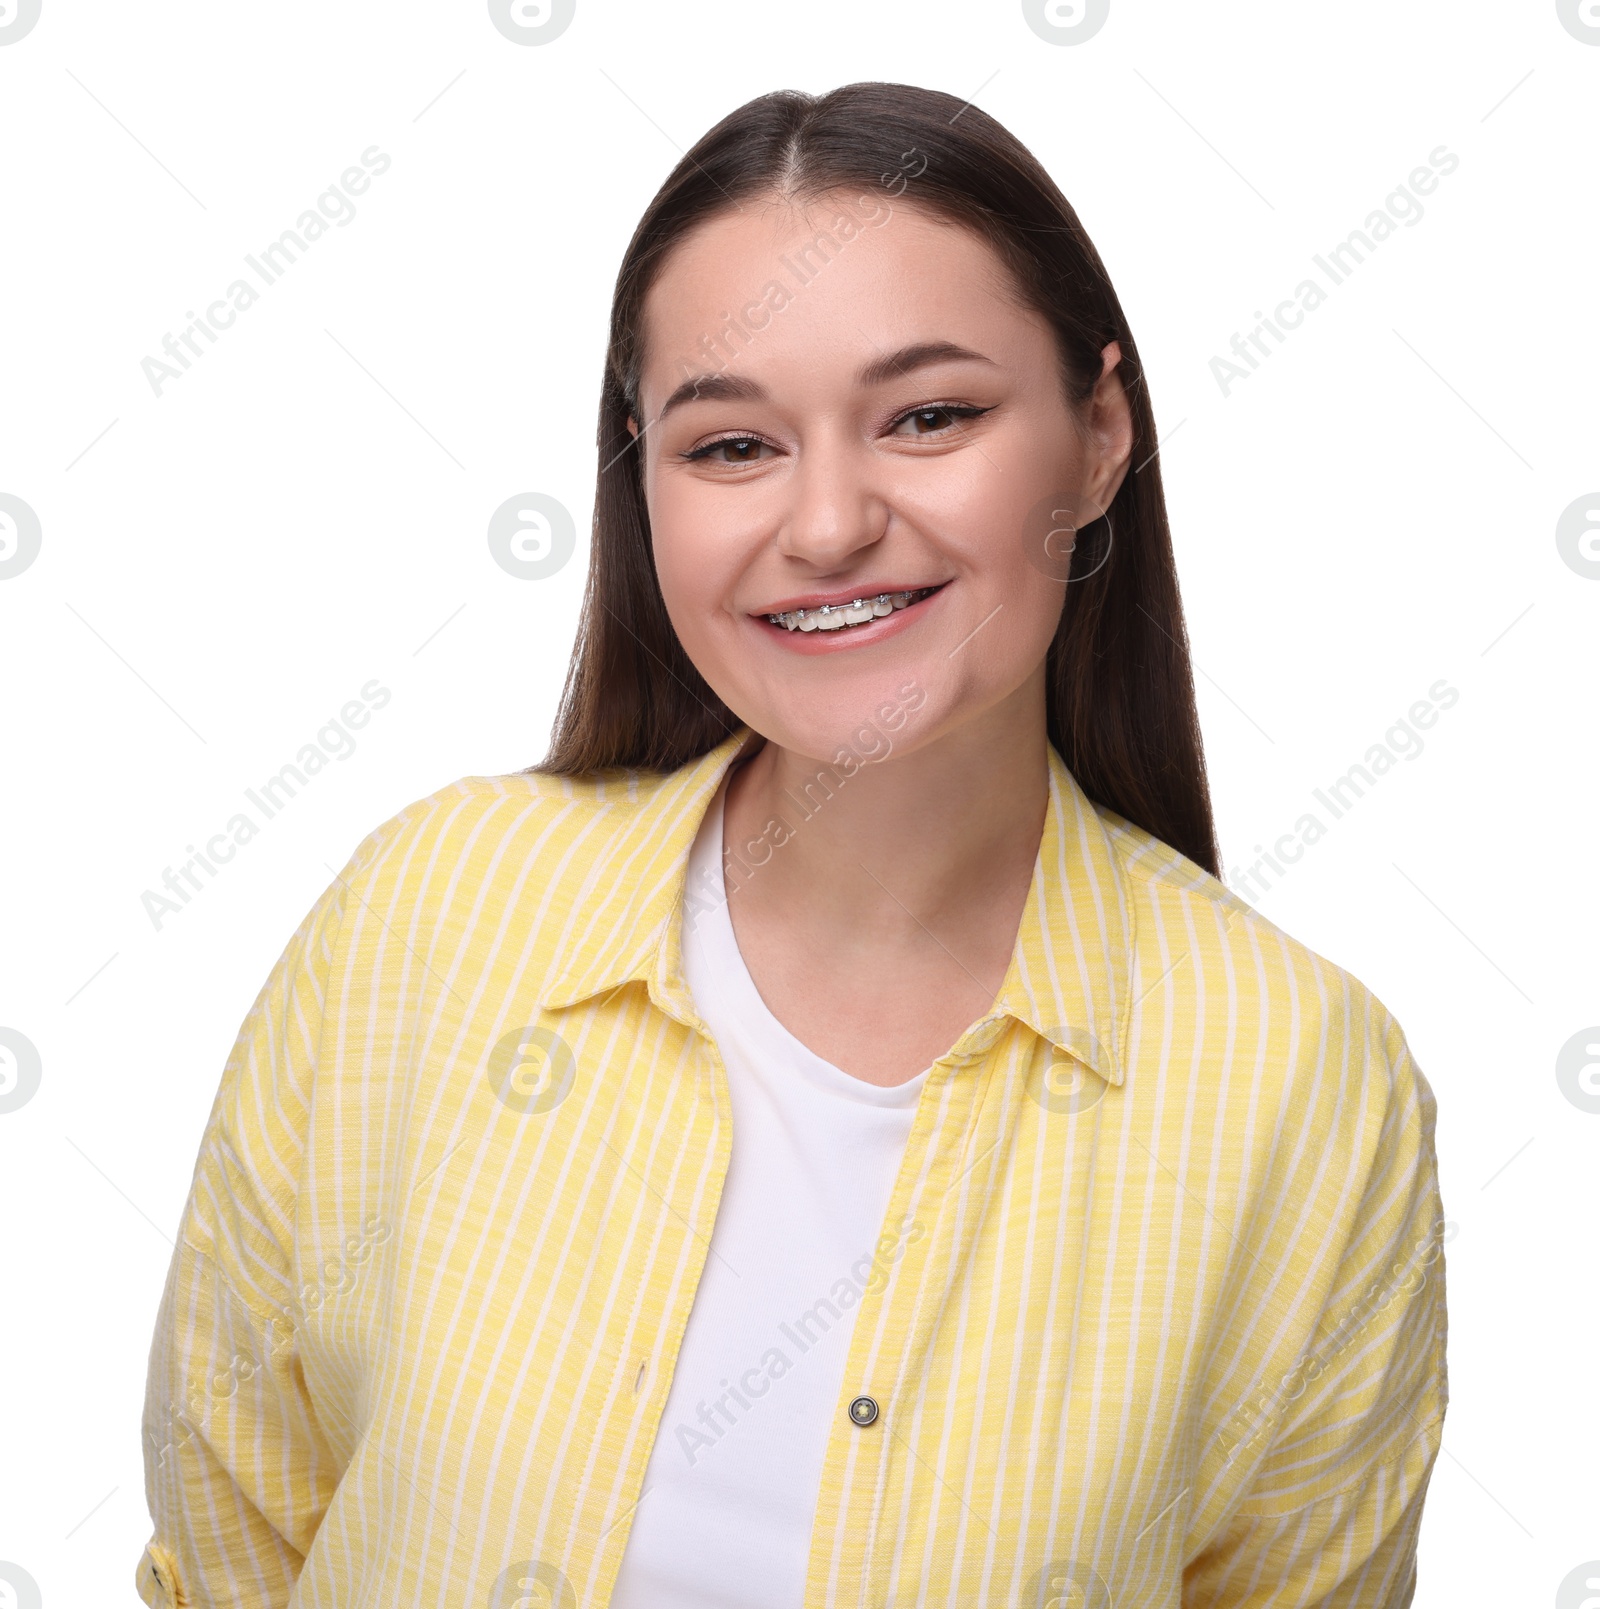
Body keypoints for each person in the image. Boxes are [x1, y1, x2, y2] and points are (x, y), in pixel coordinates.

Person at [136, 82, 1448, 1609]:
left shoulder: (1302, 1081)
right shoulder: (424, 914)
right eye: (733, 443)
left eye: (930, 416)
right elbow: (226, 1549)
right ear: (643, 482)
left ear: (1098, 438)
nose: (827, 523)